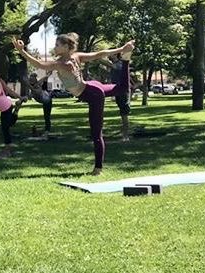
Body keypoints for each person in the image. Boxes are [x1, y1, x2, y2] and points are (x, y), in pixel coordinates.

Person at [13, 34, 135, 175]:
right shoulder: (66, 60)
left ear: (66, 47)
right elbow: (99, 54)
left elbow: (99, 54)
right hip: (91, 87)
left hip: (93, 94)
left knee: (96, 133)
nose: (55, 47)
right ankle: (126, 58)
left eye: (57, 45)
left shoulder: (64, 62)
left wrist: (22, 51)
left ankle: (98, 169)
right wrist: (122, 49)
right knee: (123, 88)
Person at [108, 54, 132, 142]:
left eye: (112, 53)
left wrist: (98, 58)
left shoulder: (120, 64)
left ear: (116, 55)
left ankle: (126, 136)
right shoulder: (114, 64)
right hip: (117, 90)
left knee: (124, 113)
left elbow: (111, 66)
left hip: (123, 90)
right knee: (122, 112)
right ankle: (124, 134)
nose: (110, 55)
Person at [27, 73, 53, 137]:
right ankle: (46, 130)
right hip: (45, 99)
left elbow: (37, 92)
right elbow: (30, 97)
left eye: (32, 80)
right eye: (30, 80)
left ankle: (47, 131)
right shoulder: (33, 89)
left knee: (47, 116)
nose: (31, 81)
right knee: (46, 116)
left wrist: (49, 74)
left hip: (47, 100)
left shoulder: (37, 86)